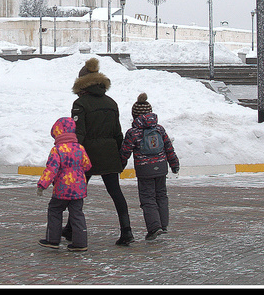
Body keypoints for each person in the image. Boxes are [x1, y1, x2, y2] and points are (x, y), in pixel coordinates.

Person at [65, 57, 135, 246]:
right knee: (116, 193)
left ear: (81, 84)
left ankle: (72, 229)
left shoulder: (80, 104)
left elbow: (78, 133)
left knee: (77, 192)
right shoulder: (111, 103)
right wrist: (121, 157)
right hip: (110, 154)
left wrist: (72, 156)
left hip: (87, 156)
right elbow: (117, 133)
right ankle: (126, 230)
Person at [120, 92, 181, 240]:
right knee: (161, 195)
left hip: (144, 170)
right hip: (161, 168)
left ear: (134, 115)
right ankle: (163, 225)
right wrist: (174, 164)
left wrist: (119, 166)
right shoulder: (159, 129)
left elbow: (125, 152)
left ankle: (154, 228)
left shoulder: (133, 132)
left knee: (148, 198)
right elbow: (169, 148)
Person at [37, 116, 91, 252]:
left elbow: (51, 169)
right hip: (78, 189)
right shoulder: (80, 148)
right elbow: (87, 165)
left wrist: (42, 184)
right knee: (77, 214)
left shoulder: (57, 150)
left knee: (55, 210)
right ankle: (80, 243)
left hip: (62, 189)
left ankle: (53, 239)